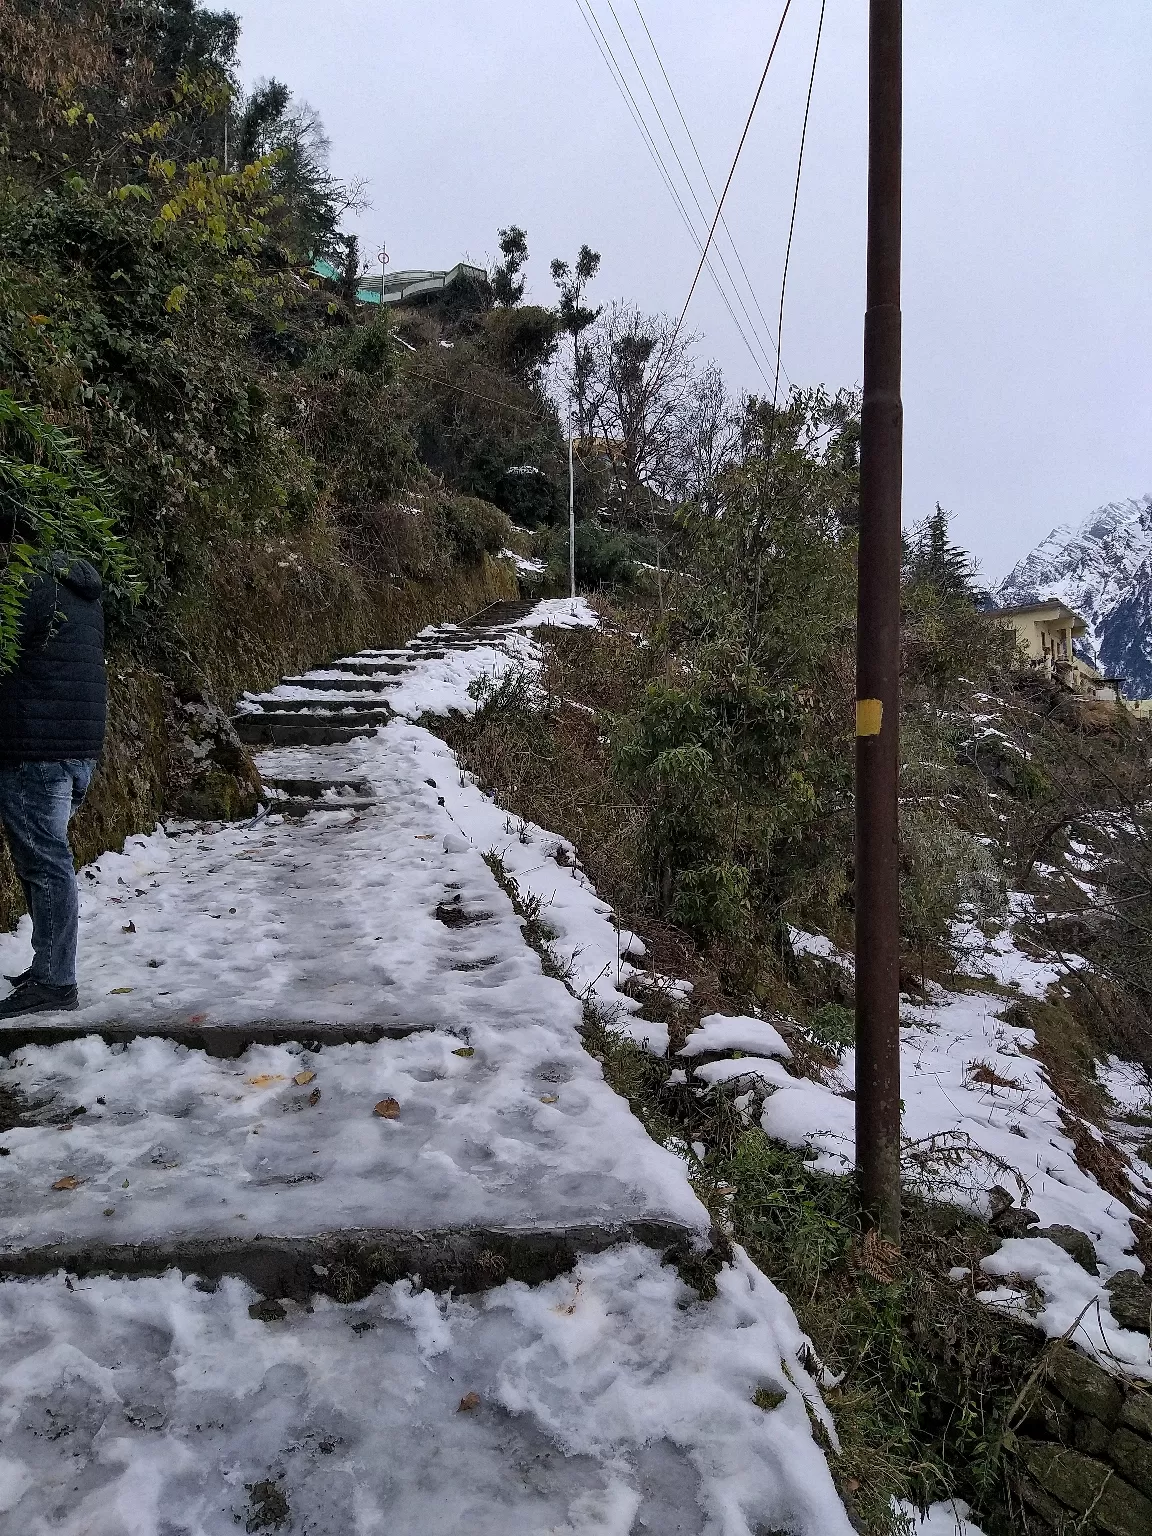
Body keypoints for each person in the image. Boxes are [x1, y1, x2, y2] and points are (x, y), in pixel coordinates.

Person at [0, 525, 106, 1019]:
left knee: (46, 866)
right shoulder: (76, 587)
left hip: (35, 749)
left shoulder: (25, 585)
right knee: (45, 865)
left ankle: (55, 980)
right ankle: (49, 967)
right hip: (77, 746)